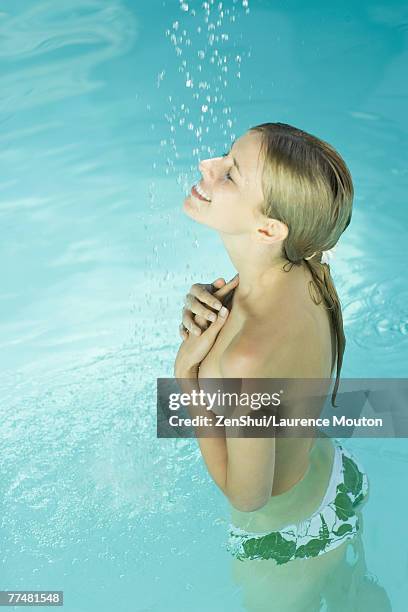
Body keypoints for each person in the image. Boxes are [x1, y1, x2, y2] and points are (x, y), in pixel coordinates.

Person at [174, 123, 391, 610]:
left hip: (288, 544)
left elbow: (247, 497)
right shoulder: (310, 265)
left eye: (230, 173)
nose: (208, 166)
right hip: (336, 481)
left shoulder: (250, 358)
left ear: (269, 229)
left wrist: (186, 378)